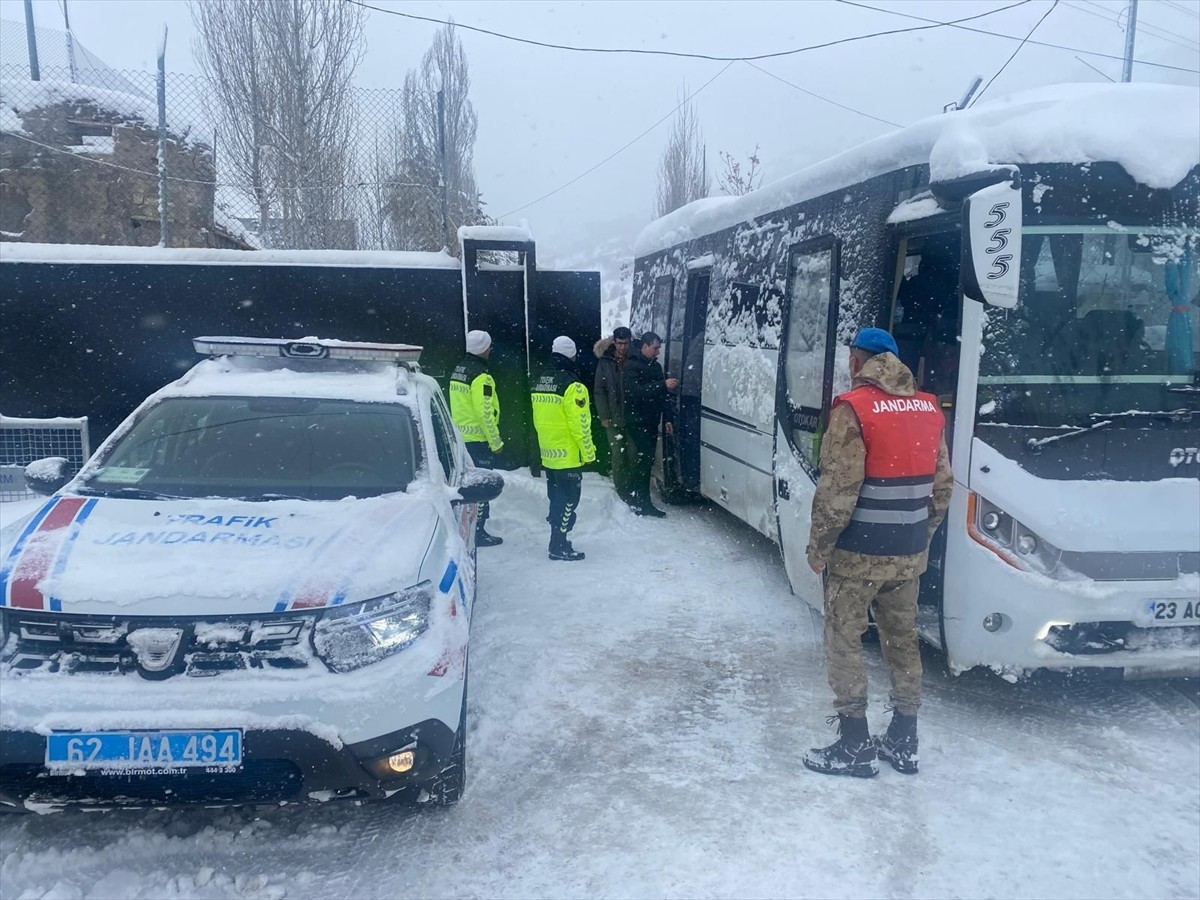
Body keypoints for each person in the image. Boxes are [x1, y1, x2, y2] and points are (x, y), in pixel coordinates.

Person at [803, 327, 953, 779]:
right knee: (901, 640)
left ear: (858, 360)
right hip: (907, 555)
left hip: (858, 555)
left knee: (845, 640)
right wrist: (918, 535)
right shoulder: (928, 409)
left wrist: (819, 547)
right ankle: (904, 739)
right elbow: (942, 488)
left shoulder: (855, 409)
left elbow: (838, 491)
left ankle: (854, 745)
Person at [531, 336, 597, 561]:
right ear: (572, 355)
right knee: (569, 501)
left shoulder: (540, 380)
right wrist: (589, 453)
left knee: (557, 499)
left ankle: (557, 539)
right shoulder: (573, 385)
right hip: (568, 455)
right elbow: (581, 426)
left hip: (549, 453)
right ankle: (558, 545)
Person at [449, 329, 505, 547]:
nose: (490, 350)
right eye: (489, 347)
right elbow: (485, 413)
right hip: (478, 440)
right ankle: (478, 532)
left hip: (461, 439)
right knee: (482, 487)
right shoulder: (482, 377)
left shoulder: (459, 370)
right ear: (484, 349)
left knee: (466, 488)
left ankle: (469, 528)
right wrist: (496, 442)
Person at [622, 331, 678, 518]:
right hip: (637, 421)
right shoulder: (631, 365)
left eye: (659, 348)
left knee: (645, 460)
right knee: (644, 460)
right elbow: (635, 392)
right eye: (655, 348)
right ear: (644, 346)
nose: (657, 352)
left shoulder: (655, 367)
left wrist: (668, 418)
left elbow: (662, 397)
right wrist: (662, 385)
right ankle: (641, 501)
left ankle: (635, 496)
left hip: (651, 421)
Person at [593, 326, 637, 507]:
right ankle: (622, 491)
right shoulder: (606, 360)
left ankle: (632, 488)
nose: (622, 347)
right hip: (612, 416)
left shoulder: (635, 359)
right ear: (614, 342)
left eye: (625, 343)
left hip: (633, 417)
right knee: (618, 456)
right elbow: (599, 390)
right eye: (619, 343)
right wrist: (604, 415)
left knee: (633, 455)